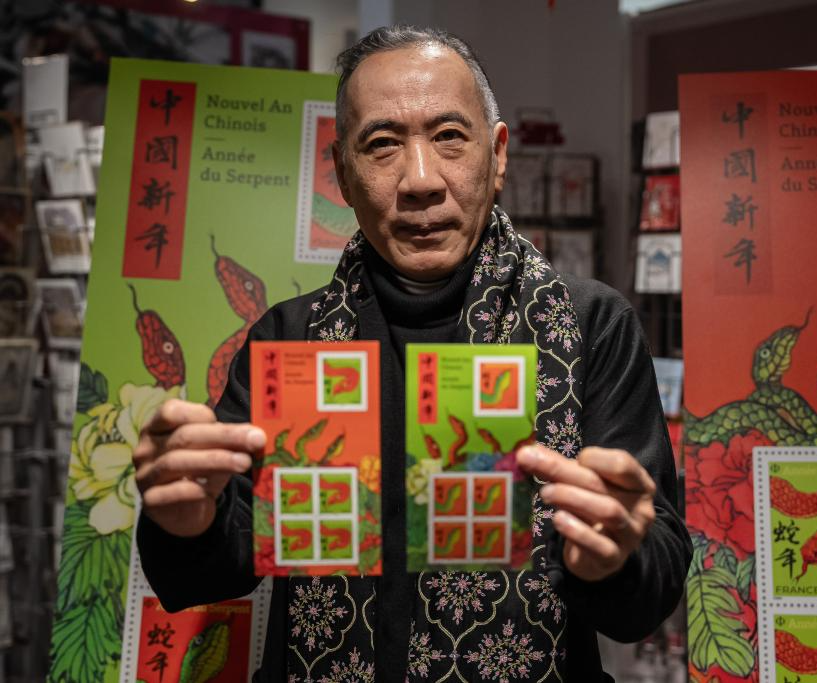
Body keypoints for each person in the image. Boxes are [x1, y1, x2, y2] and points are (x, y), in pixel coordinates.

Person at [132, 25, 691, 682]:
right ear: (342, 172)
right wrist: (187, 519)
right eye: (382, 145)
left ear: (498, 154)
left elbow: (651, 587)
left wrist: (616, 557)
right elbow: (217, 564)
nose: (420, 180)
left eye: (449, 136)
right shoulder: (291, 337)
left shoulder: (590, 325)